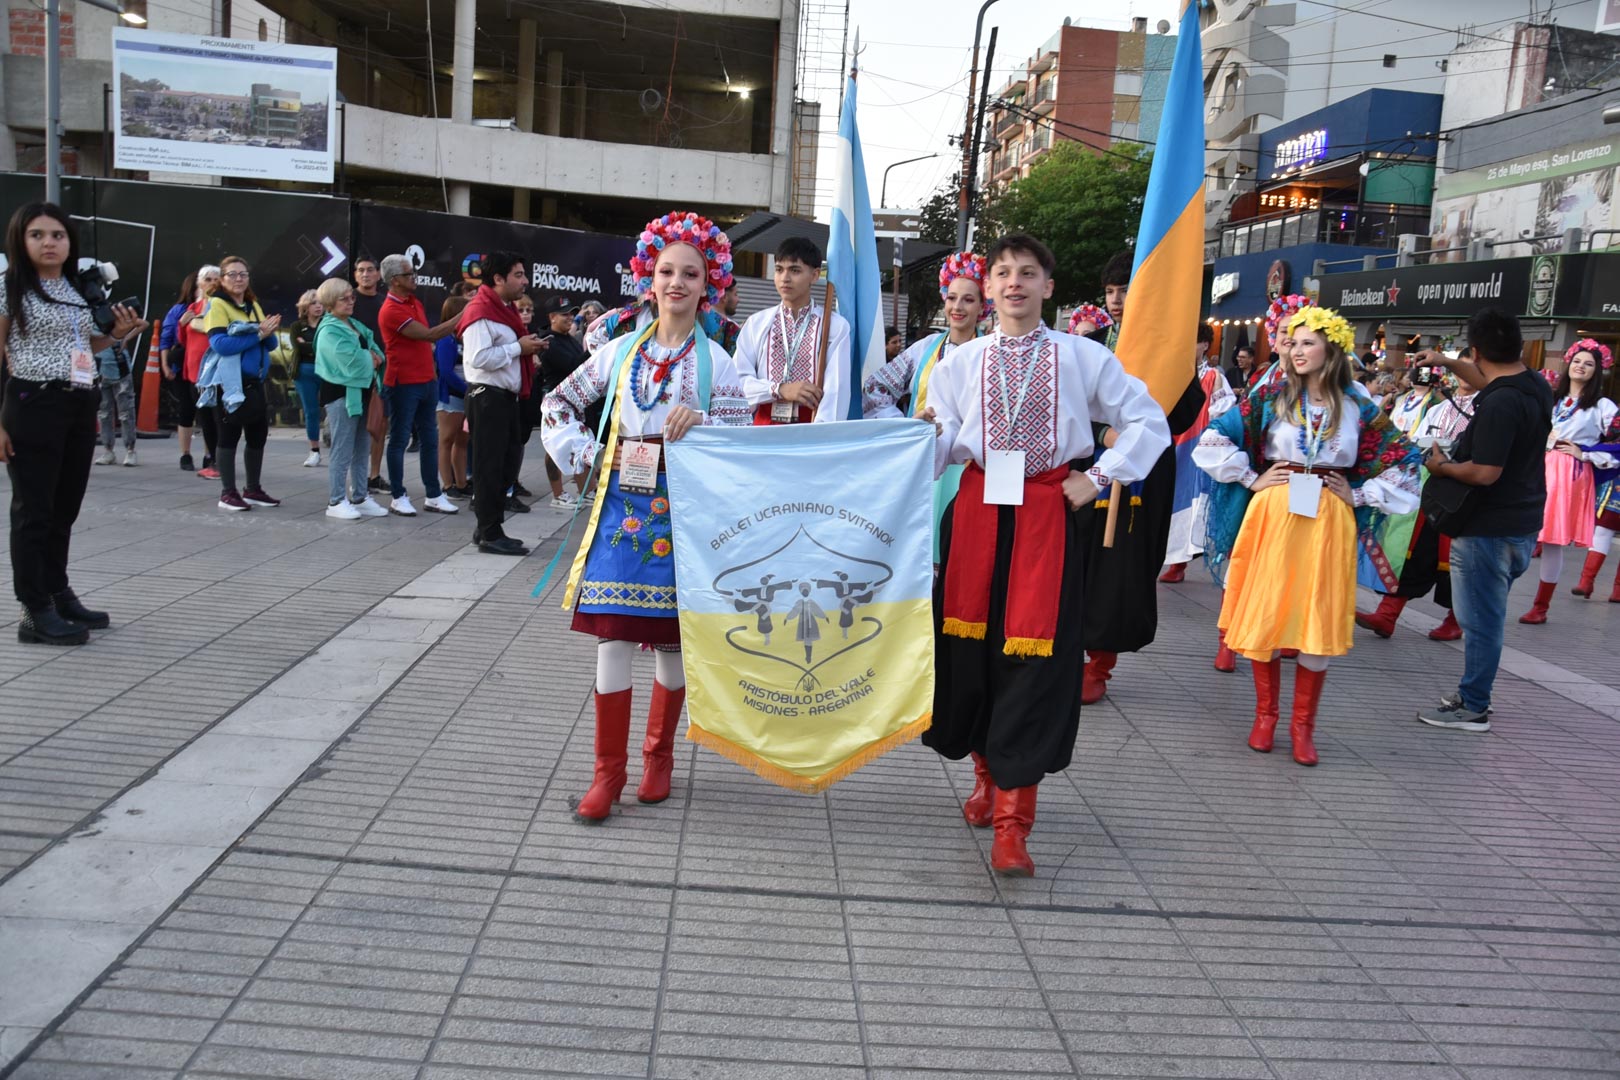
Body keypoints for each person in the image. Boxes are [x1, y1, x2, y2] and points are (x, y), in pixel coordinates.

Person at [918, 234, 1170, 876]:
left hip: (1047, 518)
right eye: (1003, 272)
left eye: (1028, 273)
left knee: (1033, 662)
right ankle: (986, 778)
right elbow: (943, 444)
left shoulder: (1082, 356)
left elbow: (1148, 421)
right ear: (989, 287)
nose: (1014, 283)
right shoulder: (961, 362)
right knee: (971, 656)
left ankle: (1014, 822)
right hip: (976, 514)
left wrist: (1102, 475)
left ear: (1048, 287)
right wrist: (921, 439)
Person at [542, 211, 750, 822]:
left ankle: (659, 757)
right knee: (612, 637)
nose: (677, 282)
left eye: (690, 273)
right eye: (666, 272)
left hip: (685, 510)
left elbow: (744, 435)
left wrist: (704, 421)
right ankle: (607, 773)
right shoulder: (619, 351)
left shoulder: (717, 361)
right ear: (648, 279)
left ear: (708, 284)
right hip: (622, 505)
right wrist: (589, 454)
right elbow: (558, 402)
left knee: (671, 646)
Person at [1196, 306, 1421, 765]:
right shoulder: (1272, 396)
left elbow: (1406, 459)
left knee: (1317, 612)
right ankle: (1266, 717)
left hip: (1329, 516)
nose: (1295, 350)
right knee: (1269, 609)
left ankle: (1303, 727)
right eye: (1292, 342)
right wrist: (1251, 477)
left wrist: (1360, 494)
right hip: (1275, 511)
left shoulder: (1358, 407)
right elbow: (1214, 437)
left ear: (1331, 350)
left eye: (1307, 343)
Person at [0, 201, 147, 644]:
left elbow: (85, 342)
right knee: (34, 512)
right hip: (33, 401)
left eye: (58, 235)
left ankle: (57, 593)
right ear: (20, 240)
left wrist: (117, 333)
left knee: (64, 509)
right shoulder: (10, 287)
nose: (49, 243)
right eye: (37, 235)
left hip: (79, 401)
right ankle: (34, 610)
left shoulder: (75, 287)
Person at [1415, 309, 1554, 731]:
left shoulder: (1500, 403)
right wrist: (1444, 361)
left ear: (1475, 351)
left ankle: (1473, 705)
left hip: (1487, 529)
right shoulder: (1533, 385)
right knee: (1485, 616)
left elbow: (1484, 472)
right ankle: (1472, 695)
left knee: (1481, 622)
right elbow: (1486, 379)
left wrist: (1441, 466)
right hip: (1522, 521)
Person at [864, 251, 991, 560]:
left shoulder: (991, 353)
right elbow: (874, 389)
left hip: (975, 472)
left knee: (962, 552)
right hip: (924, 465)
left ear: (983, 306)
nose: (957, 307)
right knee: (916, 553)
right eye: (952, 297)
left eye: (968, 300)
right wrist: (908, 426)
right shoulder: (923, 350)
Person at [1356, 367, 1479, 642]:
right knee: (1417, 547)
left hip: (1466, 488)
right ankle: (1387, 614)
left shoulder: (1486, 407)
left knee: (1458, 555)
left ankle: (1456, 619)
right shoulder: (1439, 407)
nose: (1466, 373)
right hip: (1431, 481)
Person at [1518, 338, 1618, 623]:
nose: (1581, 367)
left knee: (1551, 540)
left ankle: (1540, 607)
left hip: (1568, 473)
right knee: (1518, 530)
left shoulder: (1602, 406)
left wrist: (1585, 453)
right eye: (1577, 361)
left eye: (1589, 364)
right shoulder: (1552, 398)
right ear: (1568, 363)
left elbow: (1617, 443)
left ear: (1598, 370)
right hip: (1537, 465)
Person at [460, 252, 547, 556]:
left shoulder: (503, 310)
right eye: (518, 275)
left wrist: (526, 348)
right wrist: (517, 348)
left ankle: (488, 525)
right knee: (490, 466)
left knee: (506, 465)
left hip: (505, 397)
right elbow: (478, 358)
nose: (525, 281)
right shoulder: (481, 311)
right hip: (487, 396)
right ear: (498, 279)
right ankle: (490, 533)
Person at [375, 254, 460, 517]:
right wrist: (465, 314)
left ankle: (433, 495)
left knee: (430, 439)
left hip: (426, 380)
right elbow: (429, 335)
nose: (414, 277)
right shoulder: (391, 310)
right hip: (403, 383)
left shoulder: (414, 301)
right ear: (394, 280)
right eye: (409, 274)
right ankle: (398, 496)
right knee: (399, 439)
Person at [734, 237, 852, 425]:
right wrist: (779, 389)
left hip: (811, 427)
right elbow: (737, 383)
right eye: (779, 269)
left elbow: (837, 391)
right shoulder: (756, 323)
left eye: (795, 270)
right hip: (763, 428)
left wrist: (821, 434)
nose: (785, 278)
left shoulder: (834, 326)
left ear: (815, 275)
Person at [198, 256, 281, 513]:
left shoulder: (252, 305)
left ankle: (252, 489)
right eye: (232, 274)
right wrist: (258, 333)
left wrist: (266, 332)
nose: (238, 279)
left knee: (258, 434)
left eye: (243, 274)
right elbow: (221, 345)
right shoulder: (217, 304)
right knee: (229, 436)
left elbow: (271, 344)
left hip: (255, 382)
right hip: (230, 383)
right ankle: (228, 493)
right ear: (222, 279)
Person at [1160, 321, 1236, 582]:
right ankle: (1167, 556)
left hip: (1197, 446)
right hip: (1170, 441)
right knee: (1168, 498)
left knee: (1190, 502)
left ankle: (1179, 561)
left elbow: (1224, 412)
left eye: (1193, 341)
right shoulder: (1172, 372)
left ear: (1204, 345)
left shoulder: (1214, 377)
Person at [313, 278, 388, 521]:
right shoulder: (329, 329)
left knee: (361, 447)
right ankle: (336, 500)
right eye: (343, 298)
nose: (350, 301)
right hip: (341, 395)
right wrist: (370, 357)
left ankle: (360, 496)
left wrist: (371, 356)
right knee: (342, 449)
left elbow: (375, 349)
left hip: (362, 392)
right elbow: (349, 360)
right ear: (329, 303)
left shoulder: (353, 323)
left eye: (351, 297)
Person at [537, 296, 589, 510]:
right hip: (556, 403)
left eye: (571, 313)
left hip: (574, 401)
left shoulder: (569, 339)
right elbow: (572, 366)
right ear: (552, 317)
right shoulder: (548, 341)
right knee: (555, 447)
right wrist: (594, 350)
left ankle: (585, 491)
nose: (570, 318)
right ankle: (558, 495)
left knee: (578, 444)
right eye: (564, 314)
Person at [176, 264, 223, 478]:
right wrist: (181, 324)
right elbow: (184, 340)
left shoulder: (222, 307)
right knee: (205, 419)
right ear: (200, 283)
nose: (212, 283)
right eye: (208, 279)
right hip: (195, 372)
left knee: (218, 418)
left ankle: (220, 461)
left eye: (216, 279)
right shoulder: (193, 308)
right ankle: (212, 460)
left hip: (216, 371)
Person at [350, 256, 389, 492]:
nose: (365, 274)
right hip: (354, 371)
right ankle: (356, 477)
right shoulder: (348, 300)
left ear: (378, 274)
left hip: (383, 370)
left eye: (370, 270)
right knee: (354, 425)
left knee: (379, 423)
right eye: (361, 270)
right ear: (355, 274)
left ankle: (374, 475)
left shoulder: (385, 302)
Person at [158, 270, 201, 470]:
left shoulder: (213, 307)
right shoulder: (179, 310)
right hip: (182, 365)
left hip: (206, 367)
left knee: (208, 413)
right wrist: (165, 365)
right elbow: (166, 339)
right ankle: (185, 454)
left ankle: (210, 455)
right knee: (186, 409)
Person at [283, 289, 325, 467]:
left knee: (335, 409)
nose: (318, 306)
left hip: (327, 371)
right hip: (304, 372)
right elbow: (299, 348)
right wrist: (316, 346)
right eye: (314, 303)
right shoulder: (297, 327)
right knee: (311, 411)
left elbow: (328, 346)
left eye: (321, 303)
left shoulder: (328, 324)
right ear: (305, 306)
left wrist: (309, 345)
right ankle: (314, 451)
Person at [434, 294, 470, 499]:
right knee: (446, 440)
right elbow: (446, 372)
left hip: (466, 396)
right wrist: (466, 389)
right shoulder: (446, 339)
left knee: (462, 441)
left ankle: (462, 483)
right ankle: (448, 485)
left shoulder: (463, 337)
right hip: (451, 397)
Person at [93, 328, 141, 467]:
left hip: (120, 368)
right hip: (100, 371)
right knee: (103, 413)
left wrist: (126, 337)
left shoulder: (113, 319)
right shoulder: (90, 321)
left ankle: (130, 450)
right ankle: (108, 450)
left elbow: (142, 323)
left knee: (126, 412)